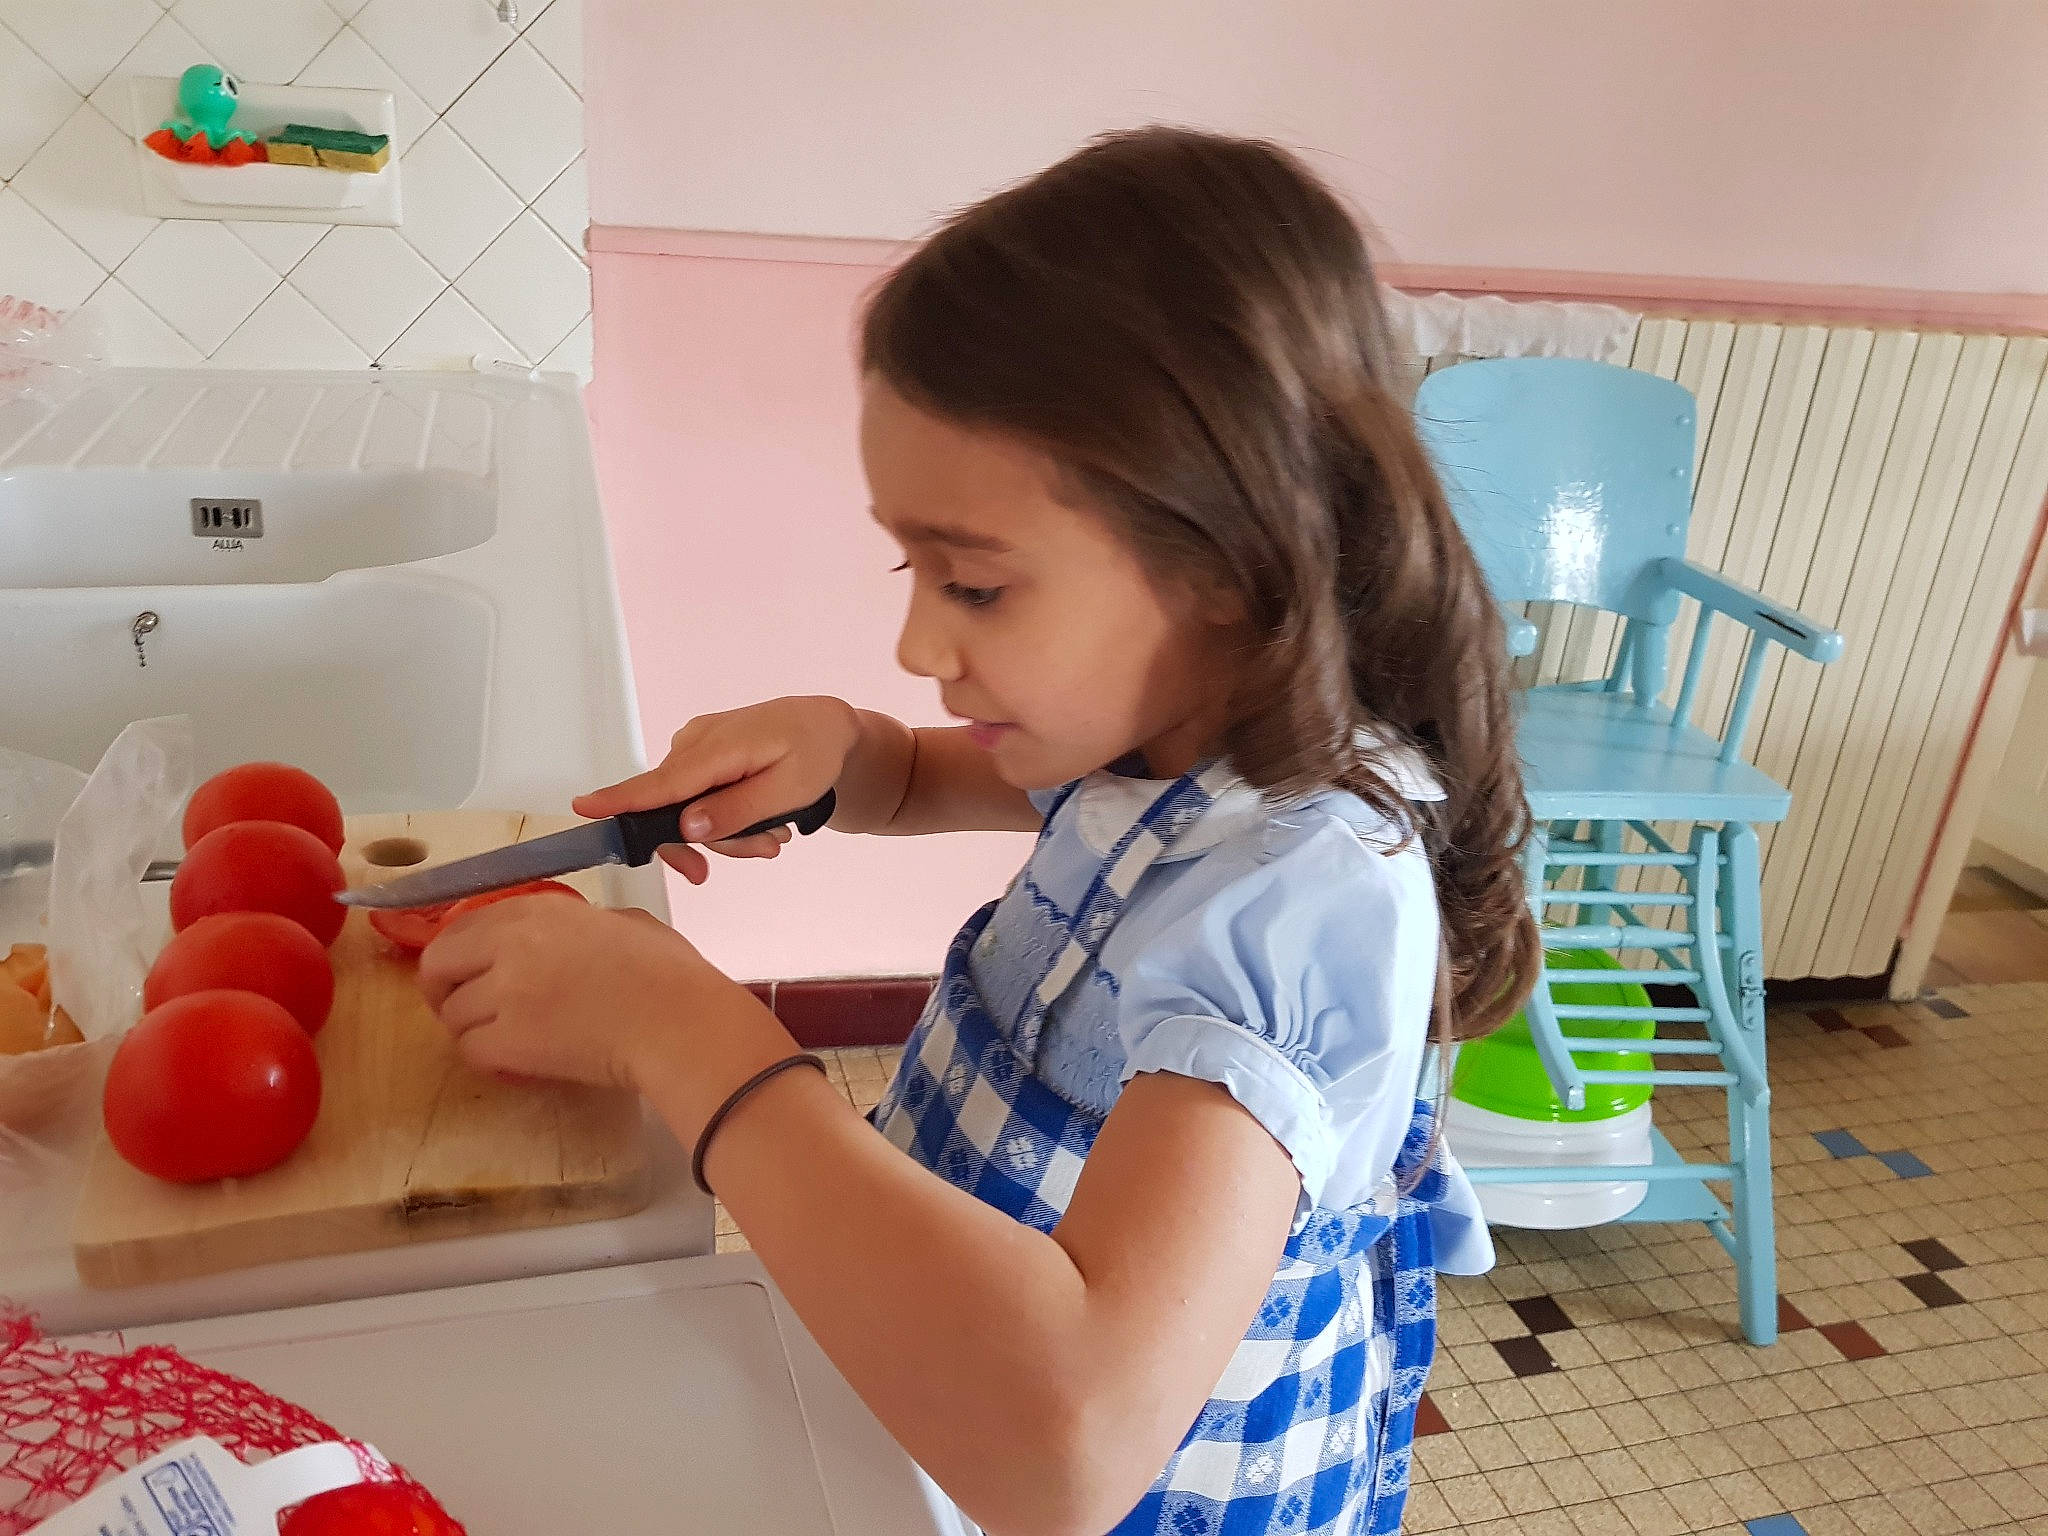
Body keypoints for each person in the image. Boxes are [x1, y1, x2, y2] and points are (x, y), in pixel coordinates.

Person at [420, 125, 1540, 1536]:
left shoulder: (1303, 893)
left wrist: (682, 1035)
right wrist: (848, 755)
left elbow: (1066, 1438)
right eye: (910, 563)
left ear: (1224, 555)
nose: (914, 642)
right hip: (943, 1398)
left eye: (974, 584)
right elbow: (931, 778)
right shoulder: (1172, 728)